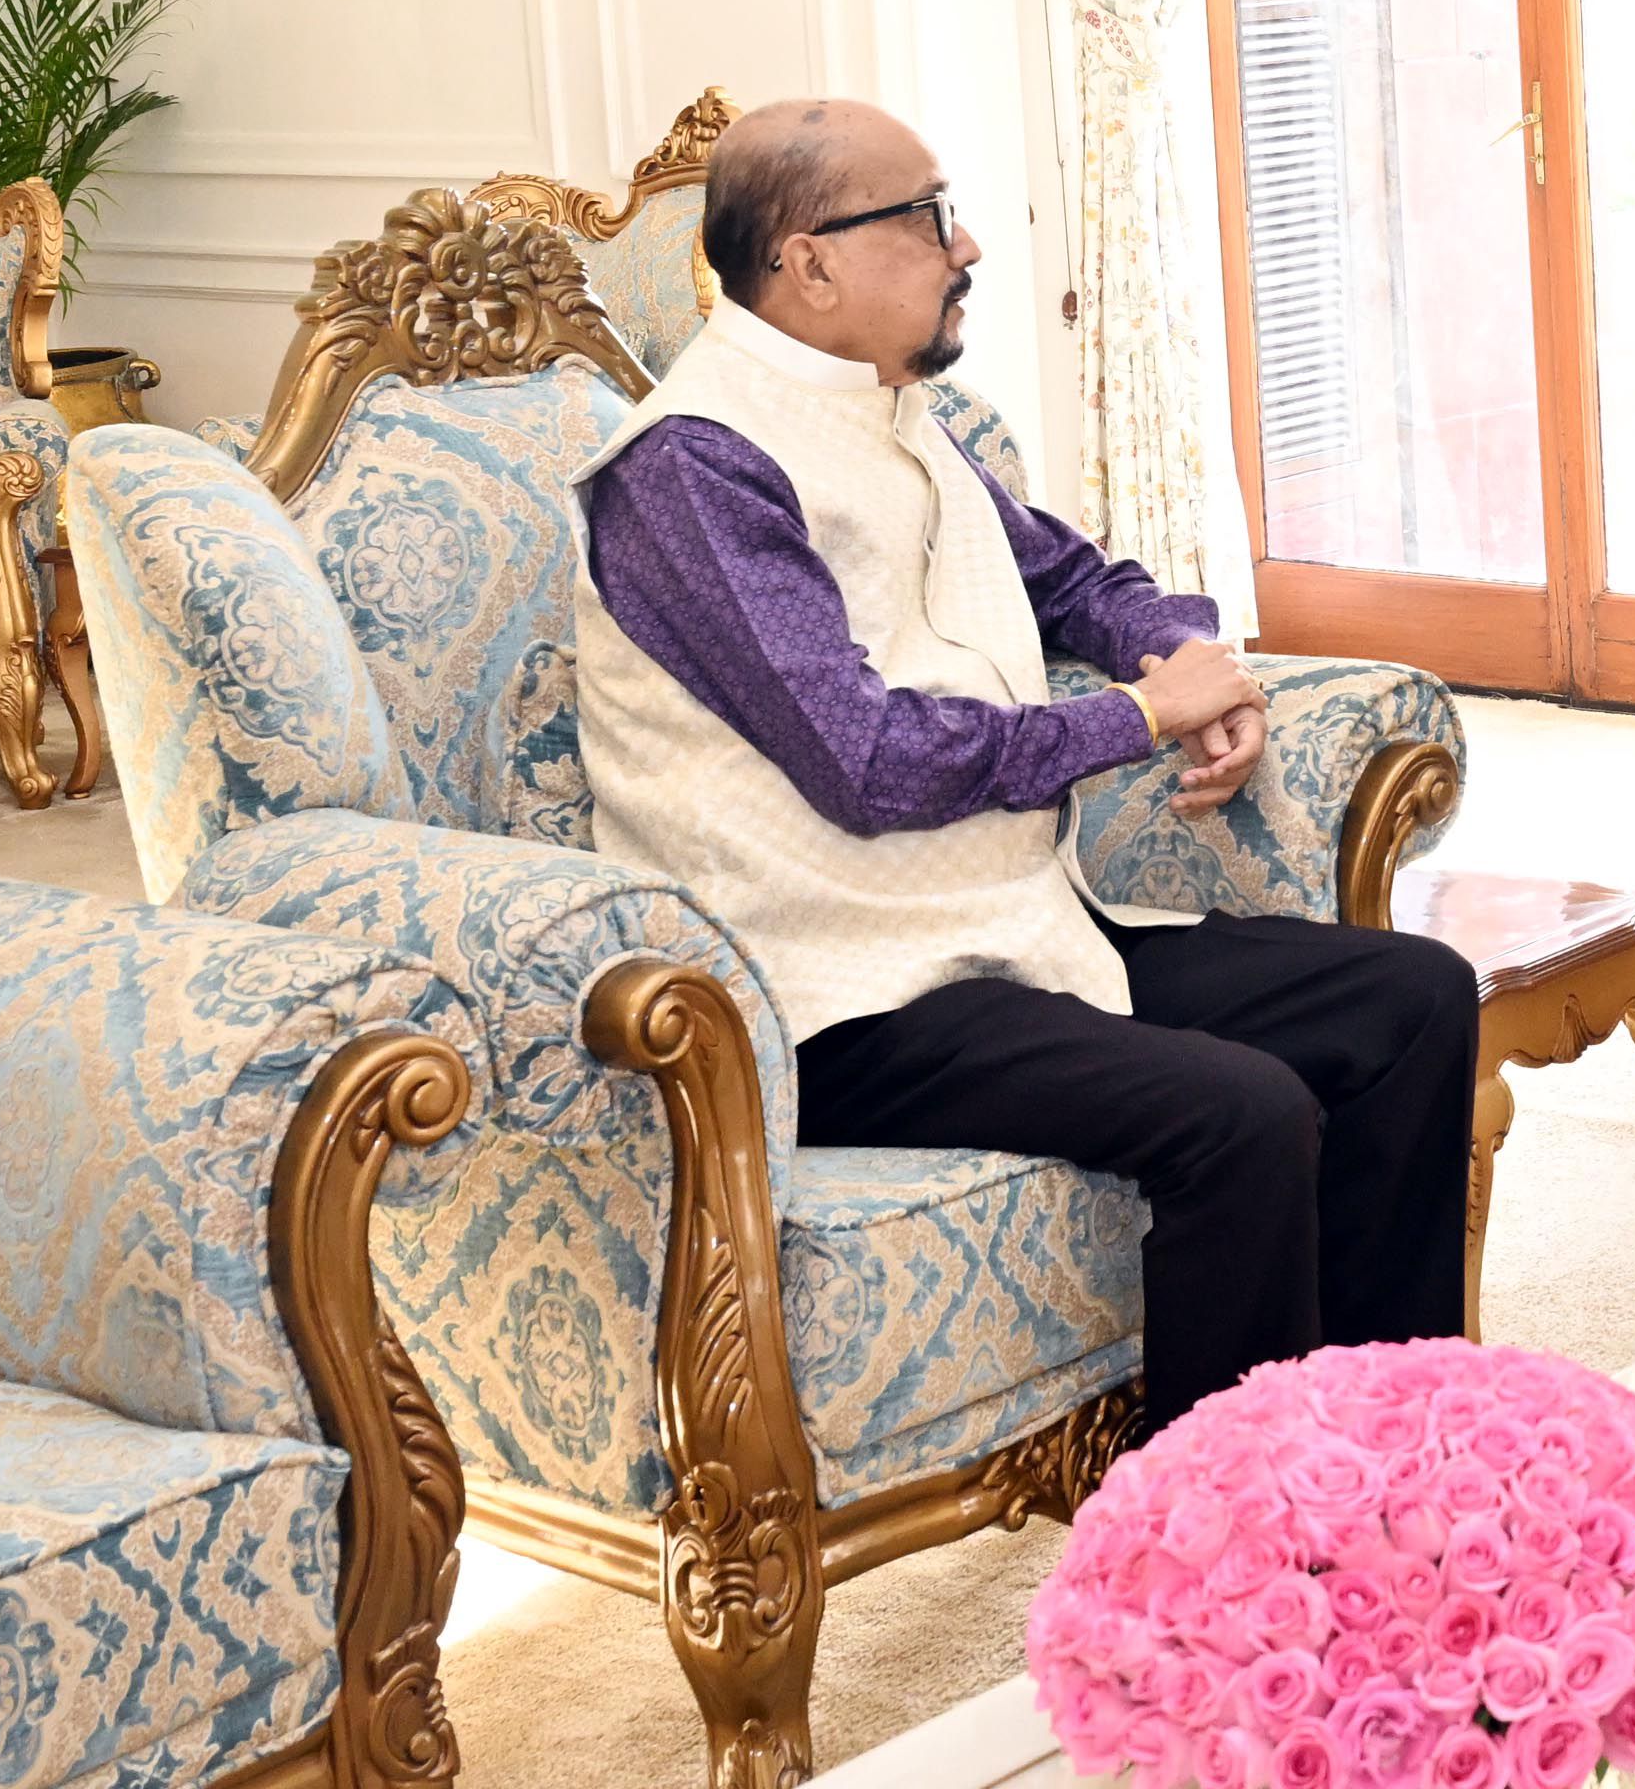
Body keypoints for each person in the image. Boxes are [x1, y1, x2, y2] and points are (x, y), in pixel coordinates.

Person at [570, 97, 1474, 1438]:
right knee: (1242, 1113)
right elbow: (869, 762)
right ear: (808, 264)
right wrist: (1141, 718)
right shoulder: (691, 471)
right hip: (832, 1001)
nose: (969, 245)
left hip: (1009, 937)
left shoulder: (891, 408)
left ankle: (1386, 1451)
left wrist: (1184, 656)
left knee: (1410, 998)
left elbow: (1068, 579)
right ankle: (1214, 1537)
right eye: (928, 217)